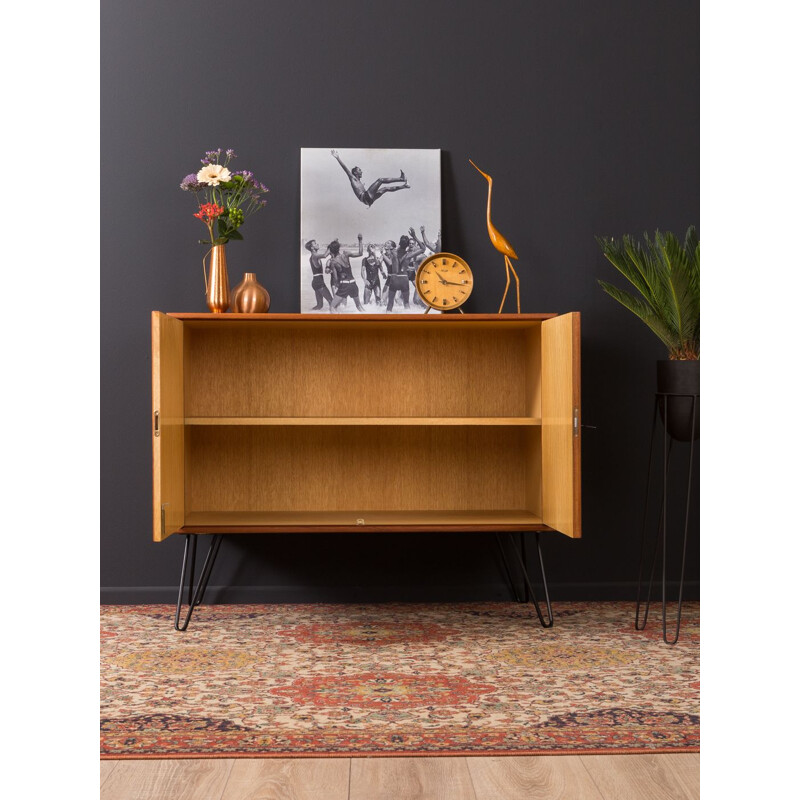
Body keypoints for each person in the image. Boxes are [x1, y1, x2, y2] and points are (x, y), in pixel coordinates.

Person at [331, 150, 409, 207]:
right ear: (355, 173)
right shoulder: (353, 178)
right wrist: (338, 158)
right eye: (359, 170)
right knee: (380, 180)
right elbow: (345, 169)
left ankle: (405, 186)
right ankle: (401, 179)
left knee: (385, 189)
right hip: (366, 197)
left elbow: (359, 189)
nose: (361, 171)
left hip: (368, 200)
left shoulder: (359, 182)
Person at [328, 235, 366, 312]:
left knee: (332, 307)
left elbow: (335, 279)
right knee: (359, 306)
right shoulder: (346, 254)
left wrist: (338, 288)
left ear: (331, 251)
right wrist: (360, 240)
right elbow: (360, 253)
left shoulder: (333, 262)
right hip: (353, 283)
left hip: (344, 284)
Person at [305, 239, 333, 311]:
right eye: (315, 244)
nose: (317, 244)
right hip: (318, 282)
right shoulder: (314, 255)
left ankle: (307, 313)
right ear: (312, 248)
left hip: (316, 282)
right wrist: (331, 246)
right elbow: (324, 255)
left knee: (319, 306)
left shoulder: (314, 256)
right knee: (332, 302)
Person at [382, 240, 410, 312]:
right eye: (386, 243)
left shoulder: (394, 253)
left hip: (396, 277)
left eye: (388, 243)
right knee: (384, 298)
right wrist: (382, 271)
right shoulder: (385, 254)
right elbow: (379, 263)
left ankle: (400, 312)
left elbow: (390, 263)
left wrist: (382, 254)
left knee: (397, 299)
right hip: (390, 277)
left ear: (392, 246)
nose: (386, 243)